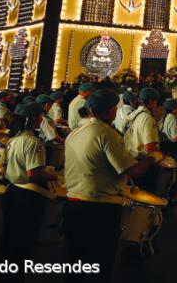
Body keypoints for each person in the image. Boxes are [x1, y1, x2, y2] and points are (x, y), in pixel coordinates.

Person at [63, 89, 154, 282]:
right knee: (99, 263)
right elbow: (131, 170)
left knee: (75, 263)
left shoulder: (75, 132)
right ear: (112, 110)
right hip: (98, 208)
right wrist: (151, 159)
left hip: (72, 204)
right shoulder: (106, 134)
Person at [0, 101, 57, 281]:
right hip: (28, 196)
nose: (41, 119)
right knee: (22, 242)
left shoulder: (13, 139)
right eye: (40, 116)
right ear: (32, 119)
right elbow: (34, 174)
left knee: (8, 240)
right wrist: (55, 176)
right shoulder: (33, 142)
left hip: (12, 192)